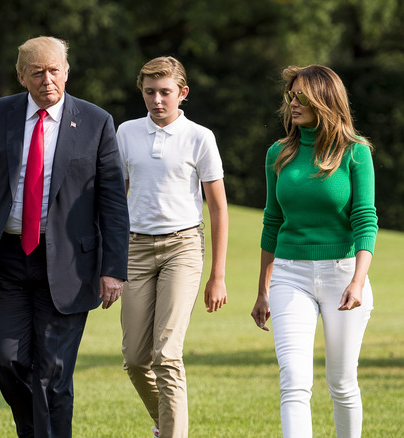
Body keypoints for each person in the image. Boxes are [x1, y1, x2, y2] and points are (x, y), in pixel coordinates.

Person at [0, 36, 129, 438]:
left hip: (69, 264)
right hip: (8, 258)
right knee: (4, 359)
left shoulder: (96, 122)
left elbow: (112, 202)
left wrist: (114, 269)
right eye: (38, 72)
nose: (48, 80)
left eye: (55, 70)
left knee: (53, 373)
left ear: (67, 71)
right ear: (21, 75)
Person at [250, 64, 377, 438]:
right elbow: (272, 221)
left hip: (343, 275)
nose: (292, 102)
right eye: (290, 95)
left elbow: (365, 219)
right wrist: (263, 289)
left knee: (341, 382)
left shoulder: (355, 153)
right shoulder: (278, 153)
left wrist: (358, 279)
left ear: (324, 99)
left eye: (301, 96)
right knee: (293, 381)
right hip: (291, 276)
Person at [116, 56, 228, 438]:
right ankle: (167, 426)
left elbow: (217, 208)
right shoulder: (126, 133)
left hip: (183, 248)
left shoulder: (201, 137)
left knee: (166, 354)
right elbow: (118, 199)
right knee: (134, 358)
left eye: (165, 92)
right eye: (149, 92)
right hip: (134, 250)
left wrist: (218, 276)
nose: (157, 100)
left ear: (183, 93)